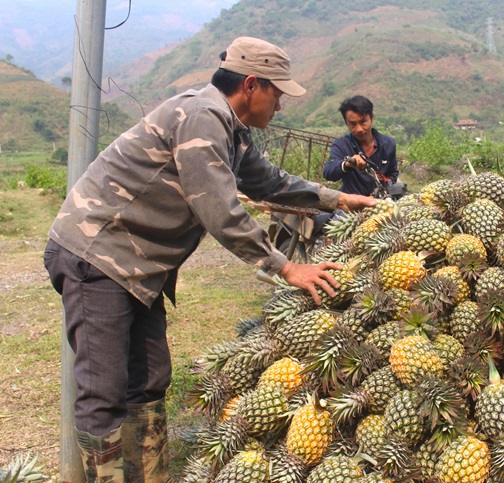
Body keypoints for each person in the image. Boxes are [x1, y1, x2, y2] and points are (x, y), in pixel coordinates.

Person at [44, 36, 375, 482]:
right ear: (252, 85)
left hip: (137, 270)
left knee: (148, 381)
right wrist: (287, 266)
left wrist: (338, 199)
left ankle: (147, 476)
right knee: (104, 392)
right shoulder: (202, 117)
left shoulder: (231, 129)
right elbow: (219, 208)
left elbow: (269, 183)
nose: (280, 106)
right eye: (277, 94)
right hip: (98, 255)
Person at [322, 95, 399, 196]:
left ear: (372, 118)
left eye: (363, 122)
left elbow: (392, 174)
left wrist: (384, 188)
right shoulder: (341, 145)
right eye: (352, 124)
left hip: (380, 205)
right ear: (346, 123)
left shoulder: (388, 144)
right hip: (351, 207)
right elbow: (328, 172)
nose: (359, 129)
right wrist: (347, 164)